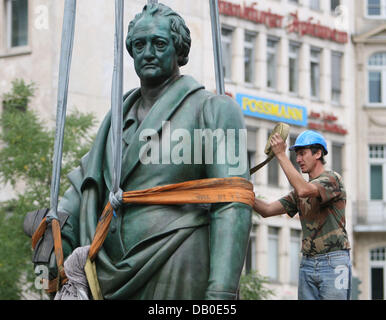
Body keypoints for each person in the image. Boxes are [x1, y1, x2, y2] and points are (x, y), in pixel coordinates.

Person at [31, 3, 252, 300]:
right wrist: (58, 227)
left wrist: (221, 293)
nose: (147, 52)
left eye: (159, 43)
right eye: (139, 44)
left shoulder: (214, 109)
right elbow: (87, 181)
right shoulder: (117, 116)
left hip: (177, 260)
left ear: (179, 50)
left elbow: (233, 206)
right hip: (109, 268)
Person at [253, 130, 352, 300]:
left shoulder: (332, 179)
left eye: (302, 154)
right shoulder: (301, 192)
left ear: (318, 153)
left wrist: (281, 155)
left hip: (334, 262)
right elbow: (267, 210)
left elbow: (305, 190)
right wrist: (243, 194)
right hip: (307, 263)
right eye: (296, 155)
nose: (298, 160)